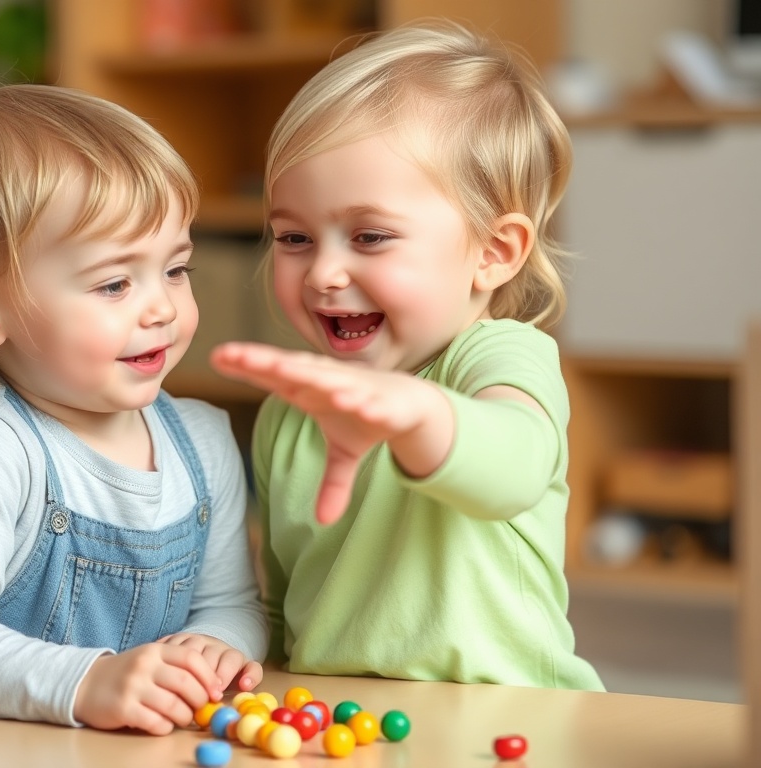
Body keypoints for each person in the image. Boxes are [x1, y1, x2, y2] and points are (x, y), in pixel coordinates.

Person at [0, 84, 267, 731]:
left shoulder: (206, 440)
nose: (161, 308)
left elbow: (234, 604)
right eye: (114, 283)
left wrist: (216, 650)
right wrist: (87, 682)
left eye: (175, 269)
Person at [211, 21, 604, 690]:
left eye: (368, 236)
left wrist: (416, 412)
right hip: (341, 725)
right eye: (294, 238)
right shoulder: (290, 414)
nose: (323, 274)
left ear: (494, 251)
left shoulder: (502, 358)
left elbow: (512, 465)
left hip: (510, 725)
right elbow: (285, 600)